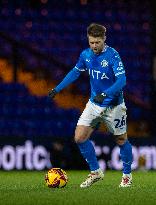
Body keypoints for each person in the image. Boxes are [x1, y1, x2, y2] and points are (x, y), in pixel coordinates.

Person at [48, 23, 133, 188]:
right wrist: (57, 88)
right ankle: (96, 172)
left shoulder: (113, 56)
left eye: (97, 42)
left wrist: (105, 94)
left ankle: (127, 175)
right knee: (79, 138)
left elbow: (122, 80)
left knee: (121, 140)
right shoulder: (85, 55)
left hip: (113, 106)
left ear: (104, 39)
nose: (94, 46)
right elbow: (75, 72)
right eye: (91, 42)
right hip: (94, 104)